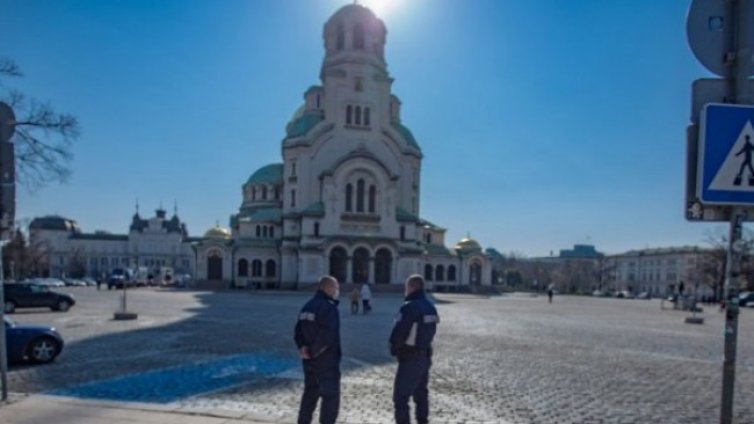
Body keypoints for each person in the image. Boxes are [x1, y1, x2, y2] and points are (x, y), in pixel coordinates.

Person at [389, 274, 439, 424]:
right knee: (421, 394)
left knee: (400, 397)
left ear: (412, 287)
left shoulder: (409, 307)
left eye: (407, 287)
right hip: (425, 355)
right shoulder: (431, 306)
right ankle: (422, 421)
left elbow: (399, 332)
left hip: (410, 356)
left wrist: (395, 349)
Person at [294, 276, 342, 424]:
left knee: (310, 393)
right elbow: (328, 335)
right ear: (328, 288)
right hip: (326, 360)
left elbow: (298, 331)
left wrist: (302, 347)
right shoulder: (329, 308)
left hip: (308, 361)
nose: (336, 291)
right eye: (335, 288)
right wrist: (313, 351)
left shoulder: (307, 305)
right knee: (330, 397)